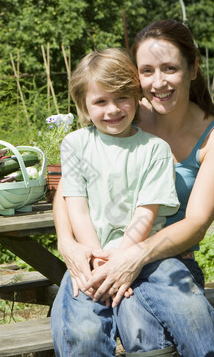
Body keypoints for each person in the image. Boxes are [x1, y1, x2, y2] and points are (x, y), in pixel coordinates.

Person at [50, 20, 214, 357]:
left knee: (148, 327)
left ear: (193, 68)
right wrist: (67, 243)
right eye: (147, 71)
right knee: (88, 329)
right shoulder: (125, 115)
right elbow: (69, 191)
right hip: (100, 256)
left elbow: (196, 223)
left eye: (170, 68)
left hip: (167, 260)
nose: (158, 82)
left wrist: (130, 257)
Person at [59, 47, 180, 280]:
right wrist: (98, 259)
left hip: (141, 258)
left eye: (121, 97)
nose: (112, 109)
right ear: (84, 106)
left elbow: (144, 215)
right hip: (90, 256)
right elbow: (78, 211)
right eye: (100, 101)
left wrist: (119, 261)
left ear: (136, 96)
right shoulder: (74, 145)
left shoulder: (155, 149)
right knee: (81, 310)